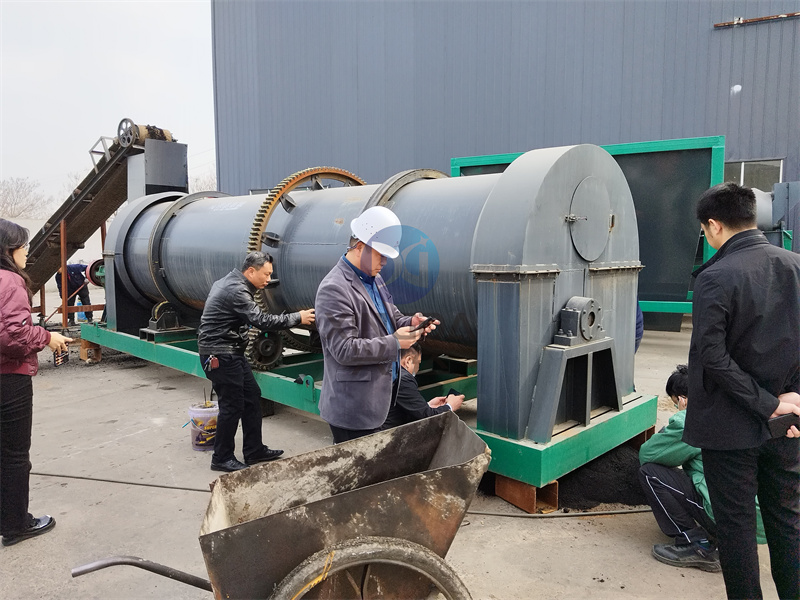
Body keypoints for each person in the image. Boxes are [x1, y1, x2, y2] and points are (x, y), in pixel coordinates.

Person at [684, 182, 800, 600]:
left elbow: (712, 357)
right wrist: (793, 398)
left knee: (736, 530)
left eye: (704, 230)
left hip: (730, 428)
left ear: (714, 225)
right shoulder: (795, 266)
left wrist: (766, 405)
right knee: (788, 523)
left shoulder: (715, 276)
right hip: (787, 424)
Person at [315, 206, 437, 443]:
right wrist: (396, 343)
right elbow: (344, 350)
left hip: (381, 399)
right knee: (359, 466)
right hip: (354, 409)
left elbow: (390, 318)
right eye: (380, 254)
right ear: (360, 246)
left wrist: (412, 323)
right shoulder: (334, 289)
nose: (384, 261)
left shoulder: (375, 279)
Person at [639, 365, 768, 573]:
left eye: (675, 403)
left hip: (726, 513)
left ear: (682, 399)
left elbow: (647, 454)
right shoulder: (736, 409)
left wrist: (678, 419)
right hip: (760, 520)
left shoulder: (693, 421)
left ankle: (697, 545)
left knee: (650, 473)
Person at [197, 251, 315, 472]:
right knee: (231, 406)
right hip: (220, 354)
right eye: (266, 274)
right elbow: (262, 321)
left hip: (231, 352)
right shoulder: (236, 290)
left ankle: (254, 450)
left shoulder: (230, 282)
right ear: (251, 271)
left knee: (252, 396)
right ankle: (221, 457)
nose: (269, 279)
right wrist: (297, 317)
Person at [1, 218, 72, 546]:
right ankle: (16, 524)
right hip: (9, 377)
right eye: (23, 246)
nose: (27, 252)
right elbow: (13, 336)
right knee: (15, 455)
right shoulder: (10, 281)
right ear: (8, 250)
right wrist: (47, 337)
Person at [381, 343, 464, 430]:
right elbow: (426, 418)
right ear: (408, 361)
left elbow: (399, 409)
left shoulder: (389, 372)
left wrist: (427, 405)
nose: (418, 368)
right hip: (383, 434)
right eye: (418, 363)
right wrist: (450, 406)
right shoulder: (403, 379)